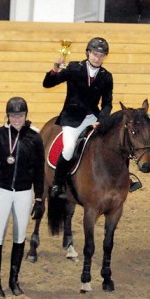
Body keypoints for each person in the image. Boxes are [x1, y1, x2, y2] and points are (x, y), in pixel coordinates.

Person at [0, 86, 45, 297]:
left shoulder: (34, 138)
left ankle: (14, 280)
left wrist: (40, 197)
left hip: (24, 193)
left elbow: (40, 170)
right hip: (2, 192)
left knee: (20, 236)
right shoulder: (0, 135)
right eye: (13, 116)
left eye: (20, 115)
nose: (17, 119)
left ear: (25, 116)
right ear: (8, 116)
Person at [43, 37, 114, 198]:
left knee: (113, 143)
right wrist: (54, 70)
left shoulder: (106, 76)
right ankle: (58, 183)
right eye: (95, 54)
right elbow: (48, 84)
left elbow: (107, 104)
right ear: (88, 53)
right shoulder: (75, 68)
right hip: (72, 119)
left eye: (101, 55)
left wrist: (100, 121)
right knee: (68, 149)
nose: (98, 58)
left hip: (92, 118)